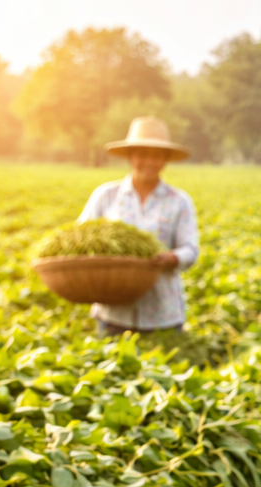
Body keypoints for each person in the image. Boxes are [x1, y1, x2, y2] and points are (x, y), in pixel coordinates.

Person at [79, 117, 199, 337]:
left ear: (165, 159)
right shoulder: (106, 195)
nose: (149, 162)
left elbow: (191, 250)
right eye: (142, 154)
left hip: (163, 314)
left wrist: (170, 258)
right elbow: (81, 238)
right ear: (131, 156)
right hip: (114, 312)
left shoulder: (179, 201)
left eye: (157, 155)